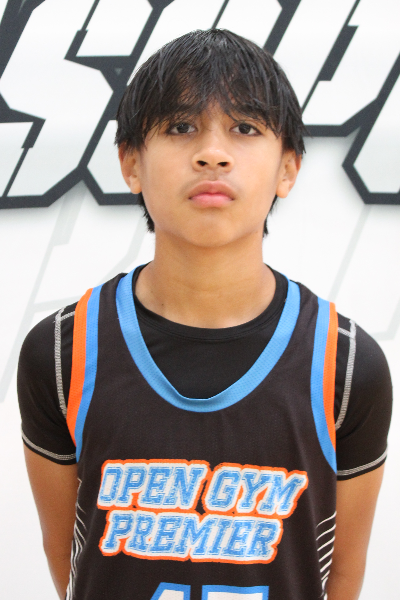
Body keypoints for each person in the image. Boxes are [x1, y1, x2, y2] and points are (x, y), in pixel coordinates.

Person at [18, 29, 392, 600]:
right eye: (180, 127)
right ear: (130, 164)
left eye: (245, 128)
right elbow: (69, 557)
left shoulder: (345, 365)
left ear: (288, 168)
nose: (212, 153)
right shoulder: (62, 351)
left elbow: (342, 573)